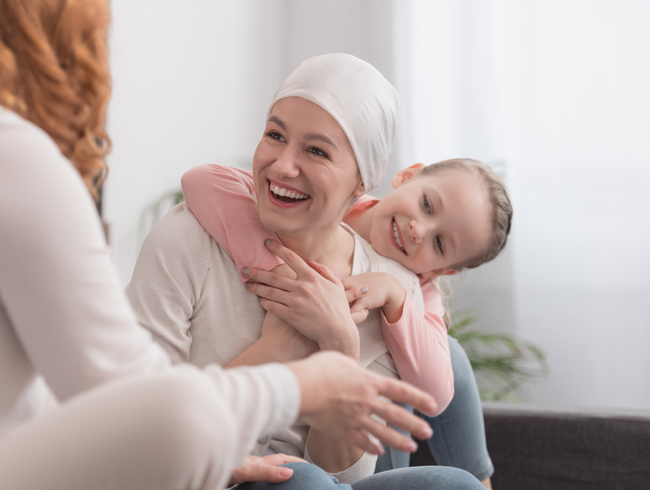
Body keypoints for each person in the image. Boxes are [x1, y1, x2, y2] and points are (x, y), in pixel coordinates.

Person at [0, 1, 468, 489]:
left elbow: (82, 400)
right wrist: (302, 379)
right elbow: (140, 404)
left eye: (317, 150)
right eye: (276, 134)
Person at [125, 54, 489, 487]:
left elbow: (345, 475)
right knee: (303, 481)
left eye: (316, 150)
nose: (282, 166)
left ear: (361, 184)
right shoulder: (186, 239)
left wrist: (339, 343)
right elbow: (138, 428)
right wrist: (276, 352)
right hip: (193, 473)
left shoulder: (386, 290)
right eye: (275, 135)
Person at [181, 157, 511, 487]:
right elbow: (201, 178)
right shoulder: (331, 201)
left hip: (359, 453)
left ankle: (483, 481)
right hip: (302, 452)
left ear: (442, 271)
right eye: (426, 204)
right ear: (407, 175)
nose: (418, 230)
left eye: (439, 243)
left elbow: (437, 396)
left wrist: (394, 295)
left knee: (447, 355)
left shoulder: (416, 283)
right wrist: (278, 270)